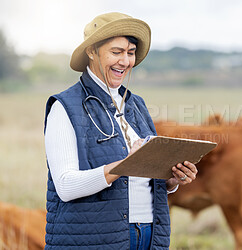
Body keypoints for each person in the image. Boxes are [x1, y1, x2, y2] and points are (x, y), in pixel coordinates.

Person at [44, 12, 198, 249]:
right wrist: (125, 164)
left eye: (130, 53)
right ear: (92, 51)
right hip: (97, 240)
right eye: (116, 52)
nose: (125, 61)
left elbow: (142, 180)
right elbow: (65, 186)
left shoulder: (137, 104)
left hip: (149, 235)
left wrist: (171, 180)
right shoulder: (64, 107)